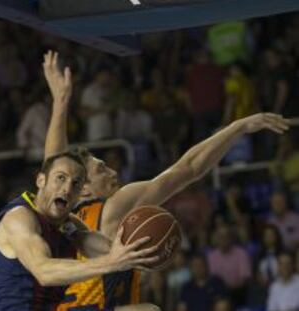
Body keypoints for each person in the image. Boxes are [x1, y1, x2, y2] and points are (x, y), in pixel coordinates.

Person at [41, 50, 290, 310]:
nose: (113, 173)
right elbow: (189, 168)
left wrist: (60, 103)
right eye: (101, 170)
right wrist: (237, 128)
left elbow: (53, 162)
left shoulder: (58, 215)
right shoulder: (114, 205)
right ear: (83, 189)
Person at [0, 150, 159, 310]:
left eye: (76, 183)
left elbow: (101, 247)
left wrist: (136, 256)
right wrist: (112, 262)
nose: (67, 189)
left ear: (81, 192)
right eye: (61, 178)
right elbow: (43, 271)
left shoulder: (66, 223)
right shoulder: (19, 218)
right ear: (41, 180)